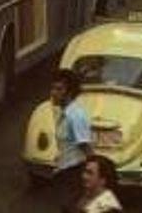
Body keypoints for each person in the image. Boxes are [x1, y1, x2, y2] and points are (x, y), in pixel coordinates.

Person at [50, 69, 92, 205]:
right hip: (63, 172)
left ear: (69, 93)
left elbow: (85, 147)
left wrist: (93, 174)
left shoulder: (76, 116)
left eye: (58, 89)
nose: (53, 93)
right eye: (53, 88)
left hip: (73, 174)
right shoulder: (65, 113)